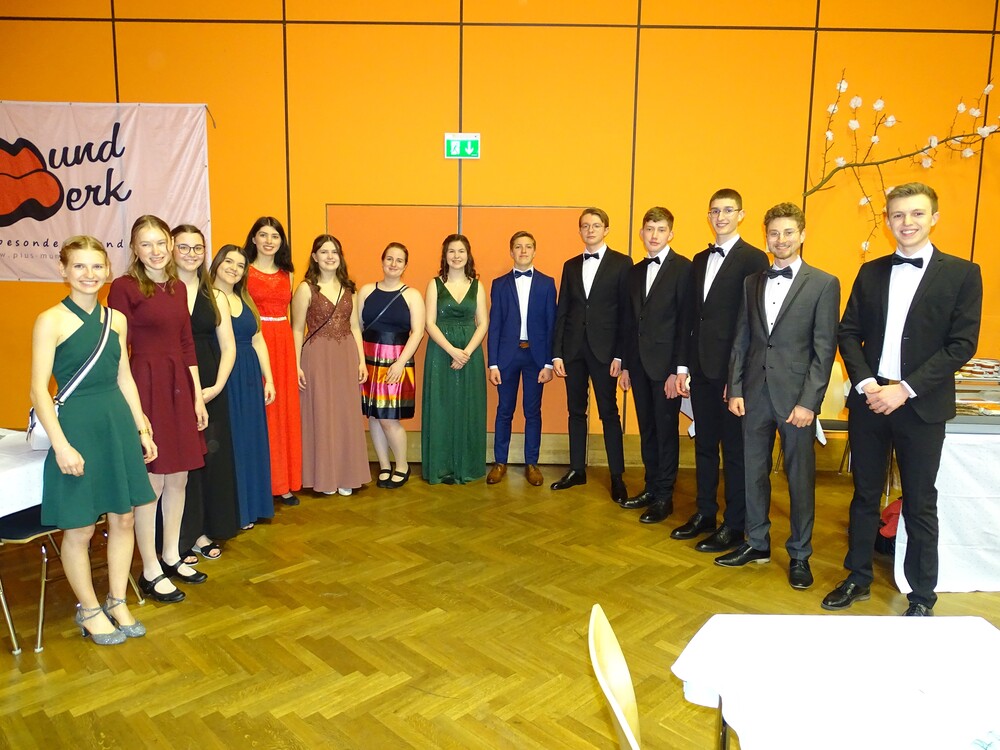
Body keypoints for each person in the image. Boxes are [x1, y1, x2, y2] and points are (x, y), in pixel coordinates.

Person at [822, 183, 982, 616]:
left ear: (934, 218)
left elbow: (961, 345)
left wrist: (904, 388)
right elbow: (848, 332)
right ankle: (857, 577)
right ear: (888, 220)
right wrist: (866, 383)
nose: (907, 222)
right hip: (871, 401)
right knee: (864, 495)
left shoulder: (963, 273)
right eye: (898, 214)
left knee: (919, 500)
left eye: (916, 213)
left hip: (921, 404)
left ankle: (922, 595)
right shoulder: (871, 271)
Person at [30, 236, 157, 644]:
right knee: (80, 528)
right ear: (63, 270)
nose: (89, 274)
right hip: (76, 428)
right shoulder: (50, 320)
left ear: (108, 270)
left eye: (97, 266)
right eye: (80, 266)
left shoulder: (116, 320)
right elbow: (38, 390)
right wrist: (61, 445)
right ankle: (88, 609)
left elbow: (124, 378)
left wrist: (141, 427)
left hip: (115, 423)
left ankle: (117, 600)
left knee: (124, 517)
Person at [716, 203, 839, 591]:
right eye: (774, 233)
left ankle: (800, 554)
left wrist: (809, 402)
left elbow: (824, 350)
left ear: (802, 235)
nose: (780, 240)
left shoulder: (824, 283)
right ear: (765, 237)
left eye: (788, 232)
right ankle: (757, 543)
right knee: (752, 472)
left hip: (796, 400)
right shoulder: (751, 282)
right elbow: (742, 339)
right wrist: (736, 388)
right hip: (753, 394)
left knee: (799, 478)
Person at [108, 215, 209, 603]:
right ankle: (149, 567)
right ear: (134, 248)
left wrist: (196, 396)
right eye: (146, 243)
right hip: (144, 384)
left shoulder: (177, 287)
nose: (155, 250)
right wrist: (136, 411)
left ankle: (171, 554)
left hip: (179, 384)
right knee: (152, 480)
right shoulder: (124, 287)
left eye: (161, 242)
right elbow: (117, 351)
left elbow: (186, 345)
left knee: (179, 477)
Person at [674, 190, 769, 551]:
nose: (721, 216)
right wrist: (683, 366)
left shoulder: (754, 258)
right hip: (700, 369)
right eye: (715, 211)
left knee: (734, 451)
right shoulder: (699, 259)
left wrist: (738, 378)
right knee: (704, 445)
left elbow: (753, 322)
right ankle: (705, 513)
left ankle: (734, 524)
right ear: (709, 215)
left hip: (732, 374)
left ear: (741, 215)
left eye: (728, 210)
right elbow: (690, 316)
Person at [550, 208, 633, 501]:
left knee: (609, 412)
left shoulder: (622, 263)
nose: (590, 230)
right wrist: (556, 354)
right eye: (585, 226)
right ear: (580, 231)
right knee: (575, 411)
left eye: (596, 226)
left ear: (606, 229)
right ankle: (577, 470)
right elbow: (563, 310)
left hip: (605, 352)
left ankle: (617, 476)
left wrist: (621, 356)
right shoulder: (570, 265)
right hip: (573, 350)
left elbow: (626, 313)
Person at [618, 207, 692, 524]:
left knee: (665, 433)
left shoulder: (684, 269)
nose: (654, 235)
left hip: (666, 370)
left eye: (661, 229)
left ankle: (664, 496)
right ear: (641, 233)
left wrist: (678, 370)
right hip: (637, 365)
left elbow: (685, 323)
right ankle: (650, 488)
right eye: (649, 229)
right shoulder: (634, 272)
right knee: (647, 430)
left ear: (670, 234)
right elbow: (628, 321)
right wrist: (624, 365)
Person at [172, 225, 239, 562]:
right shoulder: (160, 292)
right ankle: (179, 537)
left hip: (211, 382)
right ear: (172, 249)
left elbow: (228, 347)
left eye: (197, 248)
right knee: (180, 462)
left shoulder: (215, 296)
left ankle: (203, 530)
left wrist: (217, 386)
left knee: (210, 459)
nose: (191, 254)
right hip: (172, 382)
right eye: (184, 247)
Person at [292, 234, 371, 496]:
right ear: (315, 257)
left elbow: (355, 327)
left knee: (345, 415)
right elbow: (297, 329)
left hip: (345, 355)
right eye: (324, 252)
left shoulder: (350, 288)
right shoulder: (306, 289)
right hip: (316, 357)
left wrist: (361, 361)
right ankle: (325, 475)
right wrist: (295, 365)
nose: (330, 256)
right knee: (322, 413)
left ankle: (347, 474)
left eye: (334, 252)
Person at [210, 245, 276, 529]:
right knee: (233, 441)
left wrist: (268, 378)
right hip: (227, 375)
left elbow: (258, 339)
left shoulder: (245, 299)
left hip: (249, 375)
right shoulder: (208, 298)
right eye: (229, 262)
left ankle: (254, 506)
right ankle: (236, 511)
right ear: (217, 263)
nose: (234, 269)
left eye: (240, 265)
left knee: (251, 440)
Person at [486, 231, 557, 487]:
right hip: (507, 356)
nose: (523, 251)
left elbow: (551, 325)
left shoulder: (547, 283)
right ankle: (500, 462)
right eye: (518, 246)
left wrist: (548, 363)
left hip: (535, 358)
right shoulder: (499, 284)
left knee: (532, 411)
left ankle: (532, 463)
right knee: (504, 410)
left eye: (528, 247)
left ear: (535, 251)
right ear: (511, 252)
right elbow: (494, 325)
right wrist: (493, 363)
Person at [243, 216, 302, 507]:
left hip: (282, 343)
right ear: (253, 238)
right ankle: (260, 482)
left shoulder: (287, 274)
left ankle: (283, 481)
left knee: (282, 411)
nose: (269, 241)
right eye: (263, 235)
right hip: (255, 340)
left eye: (275, 236)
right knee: (260, 411)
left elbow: (292, 317)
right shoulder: (243, 271)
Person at [421, 234, 488, 485]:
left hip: (470, 353)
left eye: (461, 251)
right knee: (441, 407)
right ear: (445, 255)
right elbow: (429, 323)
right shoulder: (434, 284)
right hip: (441, 353)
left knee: (469, 406)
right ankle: (442, 467)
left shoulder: (478, 286)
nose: (456, 256)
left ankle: (467, 465)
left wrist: (466, 352)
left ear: (468, 255)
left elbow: (483, 323)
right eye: (451, 251)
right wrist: (452, 351)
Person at [358, 243, 425, 489]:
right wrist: (359, 360)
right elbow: (357, 328)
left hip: (397, 360)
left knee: (389, 418)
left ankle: (402, 465)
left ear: (405, 265)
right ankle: (384, 465)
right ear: (382, 261)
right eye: (389, 258)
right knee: (374, 416)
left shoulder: (412, 295)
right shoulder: (366, 291)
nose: (393, 264)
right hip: (369, 359)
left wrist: (400, 363)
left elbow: (418, 332)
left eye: (399, 260)